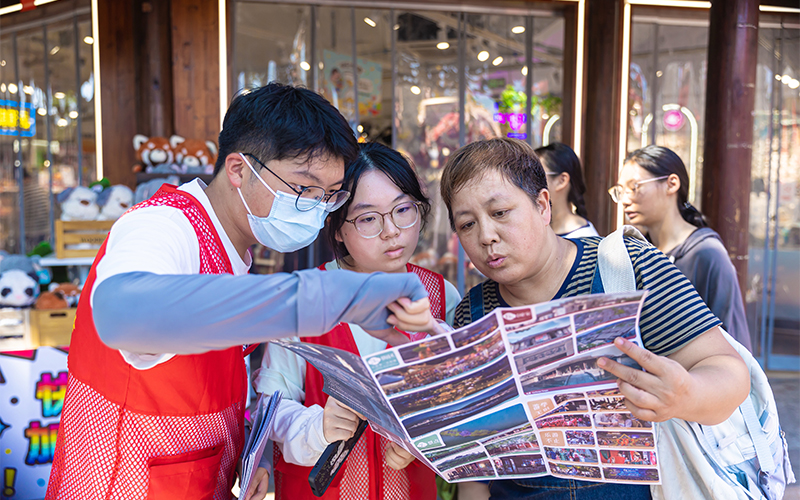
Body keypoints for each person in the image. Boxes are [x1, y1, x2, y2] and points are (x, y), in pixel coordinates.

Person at [46, 84, 439, 500]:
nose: (316, 209)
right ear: (238, 169)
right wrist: (326, 298)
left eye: (328, 196)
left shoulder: (235, 251)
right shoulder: (163, 226)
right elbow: (122, 314)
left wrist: (253, 452)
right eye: (303, 190)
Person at [440, 138, 749, 500]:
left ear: (542, 205)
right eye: (467, 224)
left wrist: (686, 394)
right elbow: (477, 466)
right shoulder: (473, 314)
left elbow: (729, 371)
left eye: (500, 213)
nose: (486, 236)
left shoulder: (627, 267)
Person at [254, 142, 461, 500]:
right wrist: (317, 427)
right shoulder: (303, 300)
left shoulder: (442, 297)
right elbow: (269, 407)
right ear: (336, 227)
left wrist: (426, 439)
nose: (391, 231)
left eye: (402, 210)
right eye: (368, 219)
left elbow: (462, 400)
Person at [613, 145, 752, 351]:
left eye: (635, 187)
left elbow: (733, 341)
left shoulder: (706, 254)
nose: (625, 200)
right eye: (620, 191)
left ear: (672, 184)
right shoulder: (636, 252)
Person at [534, 142, 598, 238]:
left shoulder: (584, 238)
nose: (529, 182)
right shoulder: (539, 230)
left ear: (562, 181)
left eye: (536, 175)